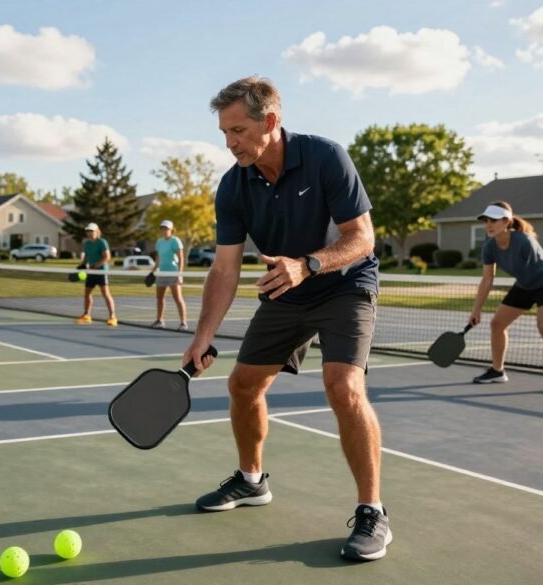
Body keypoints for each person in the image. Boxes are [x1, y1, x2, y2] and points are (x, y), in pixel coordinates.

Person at [182, 77, 388, 561]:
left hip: (344, 285)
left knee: (344, 386)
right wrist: (203, 335)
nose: (229, 142)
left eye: (237, 130)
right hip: (285, 289)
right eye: (224, 133)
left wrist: (308, 263)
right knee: (243, 385)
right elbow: (225, 267)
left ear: (270, 122)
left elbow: (362, 238)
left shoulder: (325, 157)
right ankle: (252, 481)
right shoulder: (234, 185)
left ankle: (372, 511)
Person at [469, 201, 543, 393]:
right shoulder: (489, 247)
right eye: (486, 220)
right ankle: (497, 371)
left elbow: (531, 272)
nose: (488, 224)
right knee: (497, 324)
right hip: (526, 283)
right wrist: (476, 309)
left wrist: (524, 297)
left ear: (506, 221)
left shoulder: (523, 241)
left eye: (494, 220)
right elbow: (487, 279)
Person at [74, 222, 118, 326]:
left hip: (102, 271)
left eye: (91, 231)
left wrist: (96, 266)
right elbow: (86, 257)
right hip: (91, 272)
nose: (89, 233)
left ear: (97, 232)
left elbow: (107, 257)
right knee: (87, 293)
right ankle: (86, 315)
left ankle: (112, 317)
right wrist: (82, 265)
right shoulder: (87, 244)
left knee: (105, 293)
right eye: (88, 231)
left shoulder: (102, 242)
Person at [151, 219, 188, 331]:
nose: (164, 230)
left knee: (178, 298)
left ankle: (183, 322)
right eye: (162, 228)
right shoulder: (159, 242)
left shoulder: (175, 241)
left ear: (171, 230)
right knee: (160, 298)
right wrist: (153, 270)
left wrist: (179, 274)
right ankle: (160, 320)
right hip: (162, 273)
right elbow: (158, 258)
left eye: (166, 228)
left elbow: (181, 258)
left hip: (173, 272)